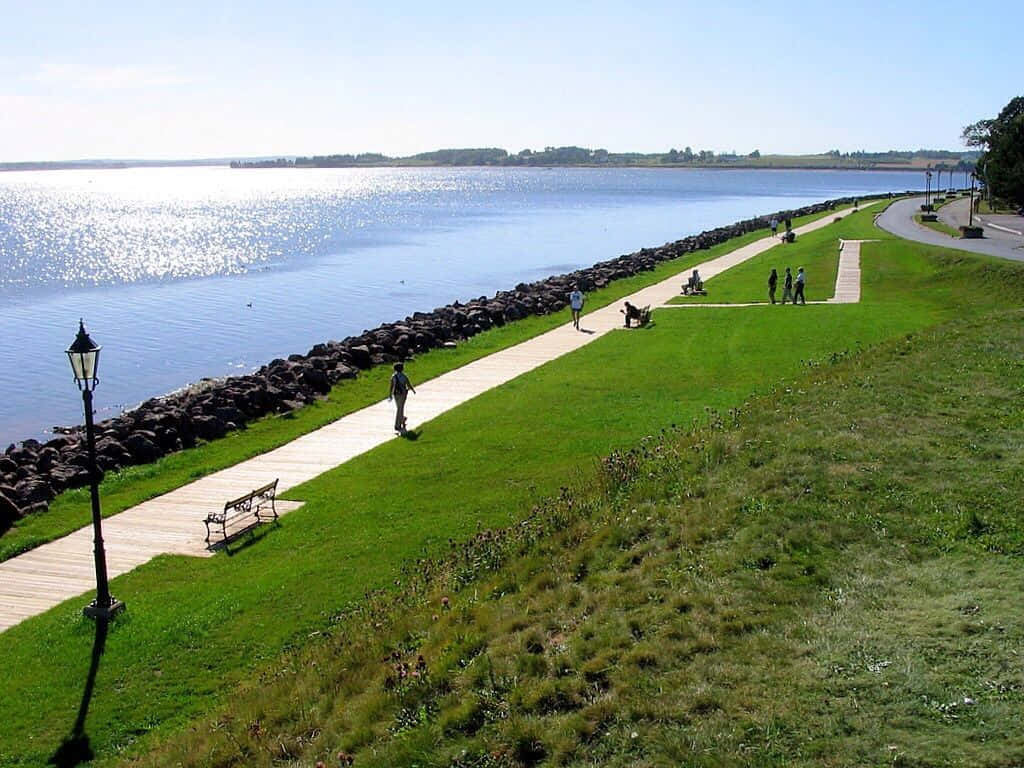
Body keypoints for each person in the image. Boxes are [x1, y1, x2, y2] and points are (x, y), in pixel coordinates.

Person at [388, 362, 416, 433]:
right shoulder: (404, 376)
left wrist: (390, 394)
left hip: (396, 394)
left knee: (399, 408)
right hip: (403, 394)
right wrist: (413, 390)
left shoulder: (393, 376)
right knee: (400, 408)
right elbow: (408, 384)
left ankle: (402, 420)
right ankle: (398, 425)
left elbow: (391, 386)